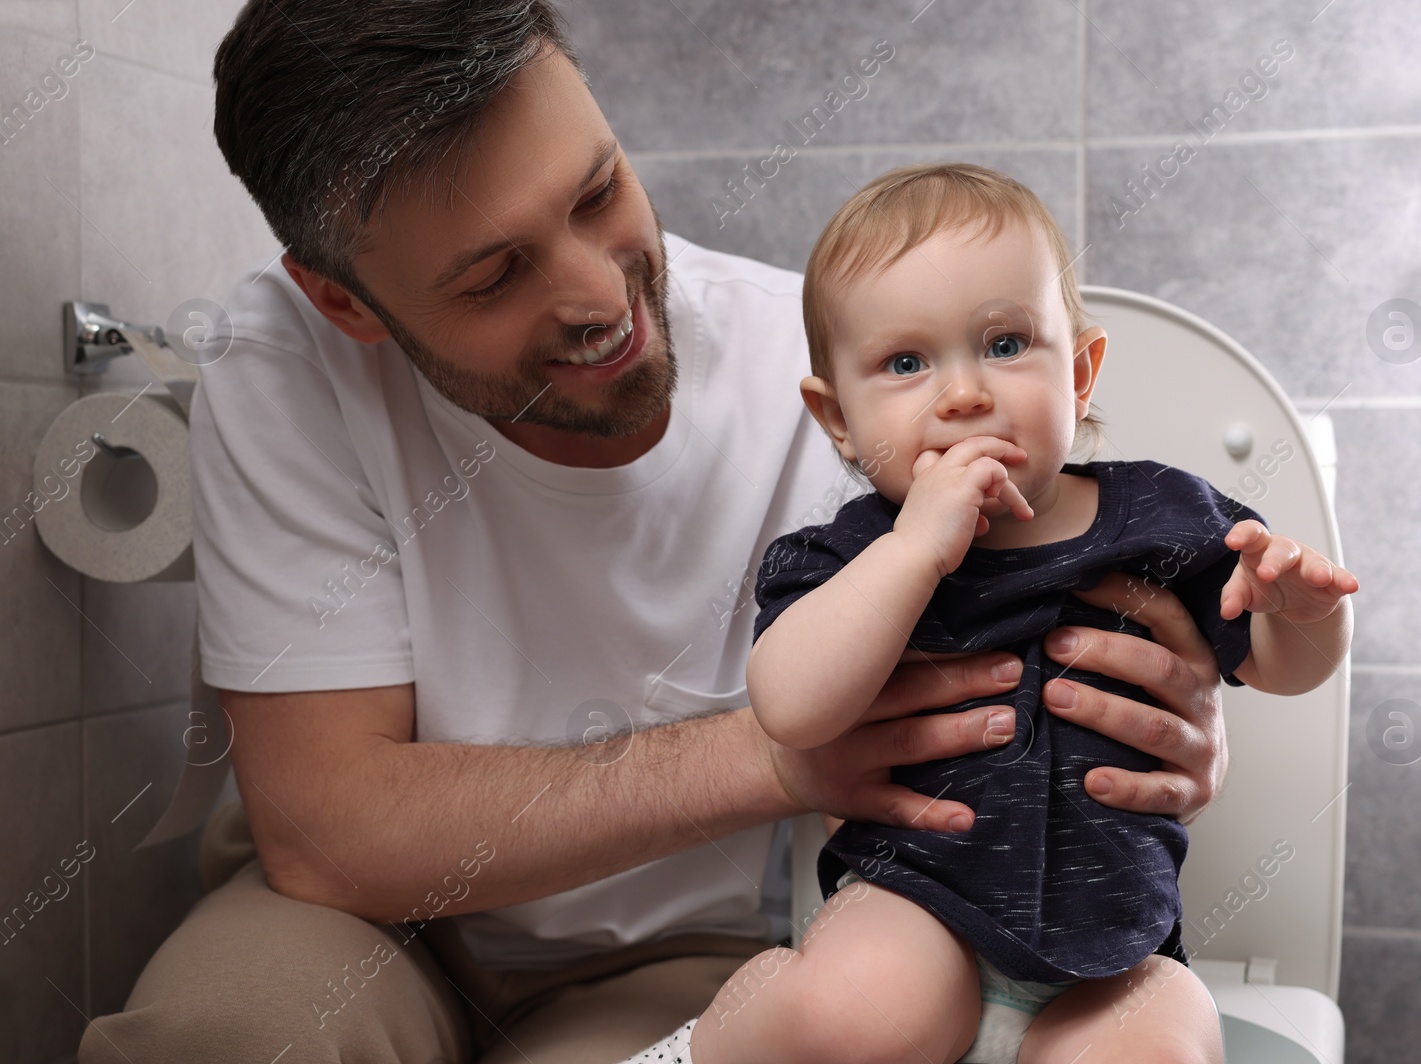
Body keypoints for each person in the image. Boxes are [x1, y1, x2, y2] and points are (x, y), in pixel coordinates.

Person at [81, 7, 1239, 1064]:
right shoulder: (286, 364)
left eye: (597, 194)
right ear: (344, 300)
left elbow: (1052, 620)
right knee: (216, 1041)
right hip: (354, 915)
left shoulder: (840, 390)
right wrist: (775, 757)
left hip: (673, 949)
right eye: (494, 276)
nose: (600, 297)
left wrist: (1164, 724)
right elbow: (329, 831)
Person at [620, 164, 1357, 1064]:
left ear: (1080, 372)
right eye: (904, 363)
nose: (964, 392)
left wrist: (1306, 613)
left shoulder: (1168, 517)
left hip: (1112, 956)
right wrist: (916, 551)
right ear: (839, 421)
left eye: (1005, 345)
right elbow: (792, 706)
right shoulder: (849, 556)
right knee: (863, 1010)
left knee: (1166, 1038)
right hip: (913, 912)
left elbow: (1282, 667)